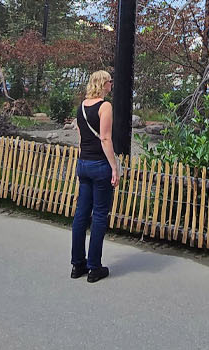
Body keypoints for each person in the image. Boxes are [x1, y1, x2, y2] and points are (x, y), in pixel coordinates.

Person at [71, 70, 122, 283]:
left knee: (81, 214)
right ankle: (94, 267)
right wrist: (114, 167)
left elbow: (81, 136)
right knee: (100, 214)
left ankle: (77, 264)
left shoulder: (82, 106)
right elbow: (105, 138)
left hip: (83, 163)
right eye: (110, 81)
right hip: (100, 164)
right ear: (103, 84)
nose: (112, 84)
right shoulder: (105, 106)